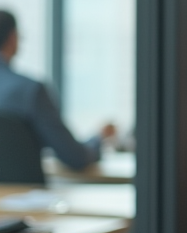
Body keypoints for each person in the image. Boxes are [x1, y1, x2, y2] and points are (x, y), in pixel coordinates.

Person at [0, 9, 114, 169]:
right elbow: (75, 157)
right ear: (12, 38)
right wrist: (99, 138)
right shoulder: (31, 91)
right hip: (24, 191)